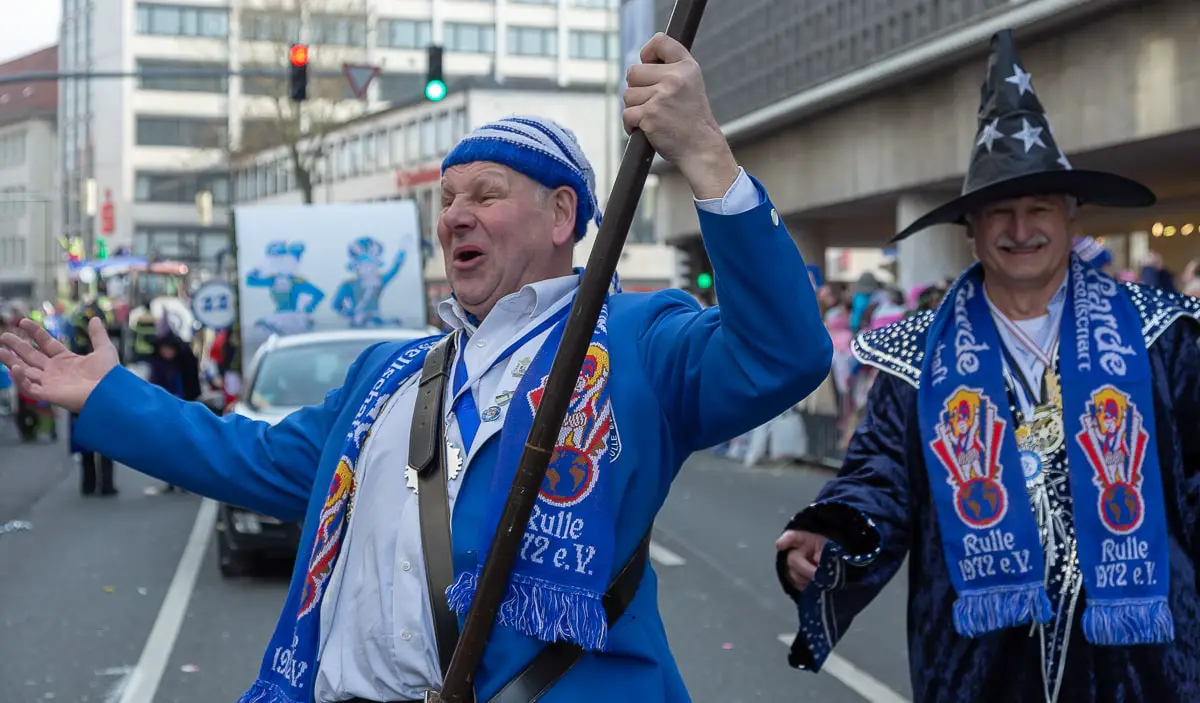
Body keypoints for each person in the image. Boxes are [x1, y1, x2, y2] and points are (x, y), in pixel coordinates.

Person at [1, 33, 832, 703]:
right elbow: (249, 456)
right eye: (445, 198)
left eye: (485, 193)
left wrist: (704, 154)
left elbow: (782, 354)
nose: (455, 215)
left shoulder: (639, 342)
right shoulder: (387, 376)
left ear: (561, 214)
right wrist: (106, 395)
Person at [774, 29, 1200, 703]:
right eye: (999, 211)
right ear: (970, 227)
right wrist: (833, 531)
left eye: (1038, 208)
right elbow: (878, 475)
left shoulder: (1160, 334)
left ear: (1069, 215)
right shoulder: (918, 355)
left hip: (1145, 662)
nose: (1020, 227)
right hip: (979, 663)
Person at [66, 296, 118, 496]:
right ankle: (105, 486)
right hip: (99, 402)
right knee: (104, 448)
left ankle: (90, 485)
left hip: (84, 403)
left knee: (88, 447)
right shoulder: (105, 351)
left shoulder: (77, 349)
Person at [145, 332, 202, 494]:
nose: (167, 353)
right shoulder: (158, 364)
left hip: (183, 408)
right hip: (164, 411)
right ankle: (170, 482)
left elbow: (191, 386)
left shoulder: (185, 361)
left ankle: (186, 481)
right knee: (167, 448)